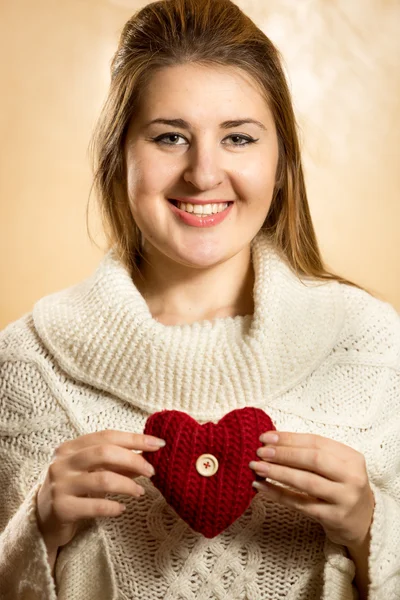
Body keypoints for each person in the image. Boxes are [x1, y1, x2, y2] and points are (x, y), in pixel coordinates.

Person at [0, 0, 399, 598]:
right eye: (169, 137)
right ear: (119, 161)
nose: (204, 173)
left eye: (238, 137)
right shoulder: (24, 365)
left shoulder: (371, 345)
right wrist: (36, 532)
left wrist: (372, 528)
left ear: (282, 163)